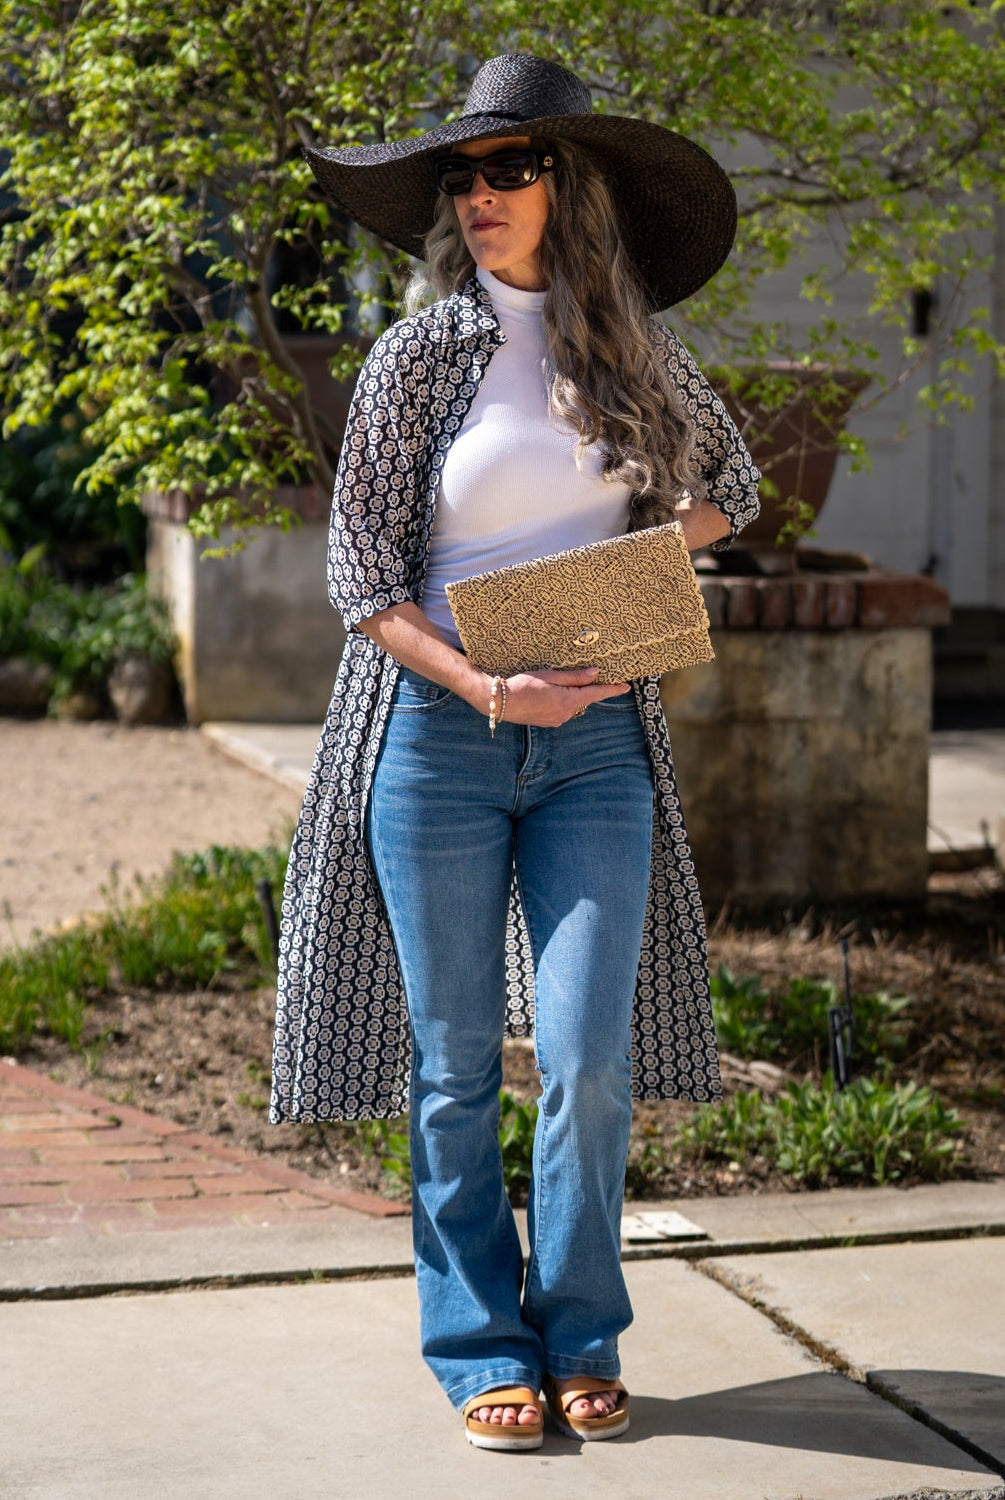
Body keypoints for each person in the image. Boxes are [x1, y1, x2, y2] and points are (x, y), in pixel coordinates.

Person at [270, 52, 760, 1451]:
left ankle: (584, 1330)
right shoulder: (414, 358)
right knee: (452, 1068)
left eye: (510, 170)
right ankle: (479, 1339)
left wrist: (631, 576)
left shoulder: (638, 351)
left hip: (600, 746)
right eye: (463, 178)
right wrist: (490, 683)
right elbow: (361, 583)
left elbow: (729, 489)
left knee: (589, 1052)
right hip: (435, 740)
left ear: (572, 189)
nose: (479, 196)